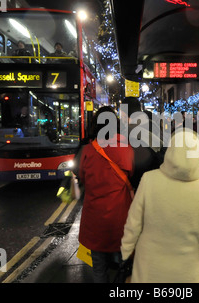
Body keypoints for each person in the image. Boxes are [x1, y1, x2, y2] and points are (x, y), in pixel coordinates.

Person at [121, 128, 199, 283]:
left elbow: (134, 222)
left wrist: (126, 249)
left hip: (149, 269)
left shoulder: (149, 180)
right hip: (186, 272)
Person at [77, 106, 134, 283]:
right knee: (124, 266)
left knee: (99, 269)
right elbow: (130, 173)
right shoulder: (126, 148)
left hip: (95, 220)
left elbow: (82, 178)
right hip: (120, 218)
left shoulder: (87, 151)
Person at [120, 97, 164, 190]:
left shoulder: (127, 132)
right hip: (157, 180)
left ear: (124, 114)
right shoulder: (153, 125)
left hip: (138, 185)